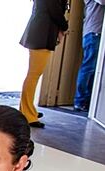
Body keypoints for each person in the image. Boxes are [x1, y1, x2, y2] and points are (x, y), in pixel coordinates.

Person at [19, 0, 69, 128]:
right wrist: (65, 26)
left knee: (34, 74)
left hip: (40, 33)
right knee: (34, 74)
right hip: (41, 34)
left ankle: (28, 111)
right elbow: (55, 11)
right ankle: (27, 114)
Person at [74, 0, 105, 111]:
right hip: (94, 32)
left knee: (95, 69)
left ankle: (87, 102)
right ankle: (80, 101)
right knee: (89, 68)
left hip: (98, 32)